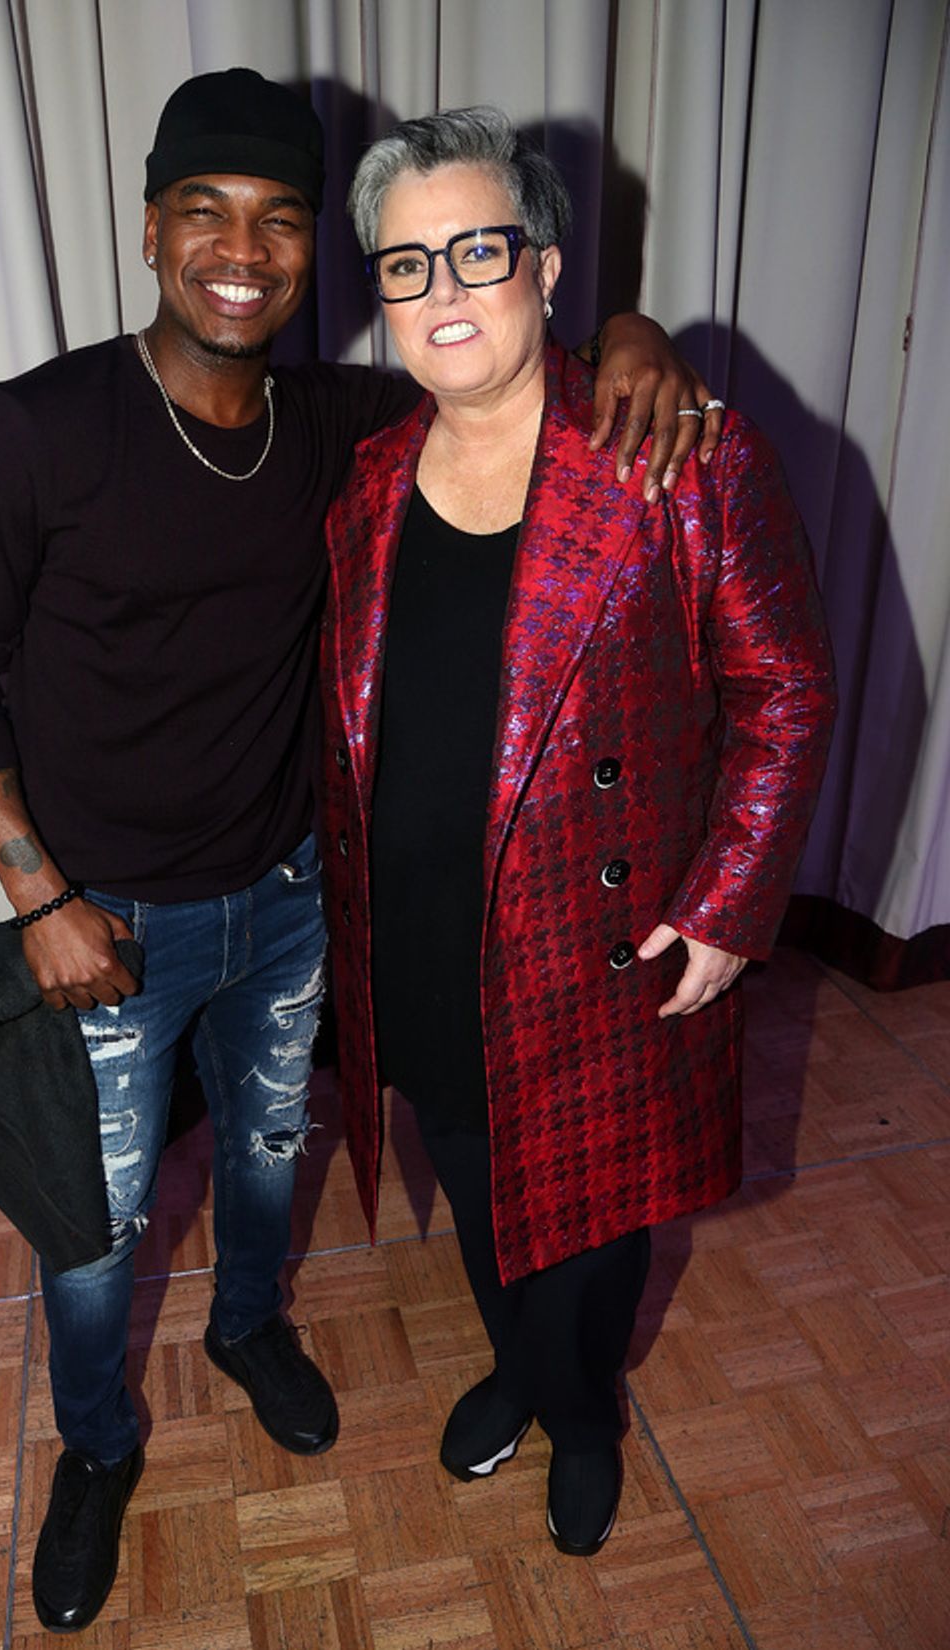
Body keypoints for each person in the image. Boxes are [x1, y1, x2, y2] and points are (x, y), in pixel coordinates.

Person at [0, 69, 727, 1632]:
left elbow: (509, 388)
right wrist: (41, 897)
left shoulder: (342, 423)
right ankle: (92, 1449)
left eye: (280, 220)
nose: (243, 249)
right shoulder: (31, 431)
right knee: (93, 1225)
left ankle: (248, 1330)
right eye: (206, 214)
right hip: (105, 924)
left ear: (311, 261)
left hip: (288, 906)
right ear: (150, 231)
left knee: (271, 1164)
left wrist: (636, 339)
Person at [321, 106, 837, 1560]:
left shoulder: (677, 457)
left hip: (604, 945)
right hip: (424, 935)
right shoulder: (363, 491)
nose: (443, 293)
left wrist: (733, 902)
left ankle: (586, 1408)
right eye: (406, 264)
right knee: (482, 1192)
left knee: (596, 1223)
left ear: (544, 270)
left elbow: (785, 689)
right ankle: (517, 1366)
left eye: (475, 251)